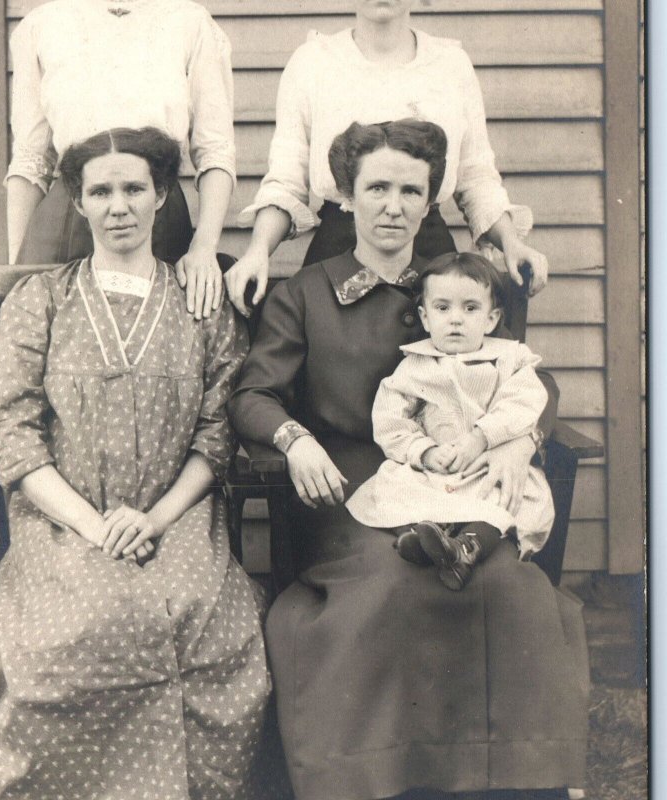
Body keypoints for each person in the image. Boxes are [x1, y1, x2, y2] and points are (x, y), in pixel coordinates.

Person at [228, 119, 587, 800]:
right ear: (347, 196)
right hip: (348, 494)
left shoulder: (458, 287)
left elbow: (528, 380)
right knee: (391, 587)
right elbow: (254, 395)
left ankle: (513, 779)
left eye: (410, 191)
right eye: (378, 188)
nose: (393, 206)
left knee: (504, 584)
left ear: (429, 204)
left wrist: (515, 441)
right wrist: (295, 440)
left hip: (466, 486)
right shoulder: (304, 294)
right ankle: (375, 779)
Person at [0, 127, 270, 800]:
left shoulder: (199, 302)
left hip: (178, 516)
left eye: (133, 189)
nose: (118, 205)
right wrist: (94, 527)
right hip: (62, 519)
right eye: (101, 191)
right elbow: (12, 430)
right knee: (71, 631)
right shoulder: (41, 301)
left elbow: (216, 435)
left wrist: (153, 517)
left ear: (159, 198)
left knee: (202, 626)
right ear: (79, 203)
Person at [224, 0, 549, 317]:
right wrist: (258, 251)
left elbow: (476, 177)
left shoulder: (451, 64)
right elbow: (286, 180)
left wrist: (511, 244)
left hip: (428, 255)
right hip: (339, 250)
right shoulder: (314, 62)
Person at [7, 0, 235, 319]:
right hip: (69, 217)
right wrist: (16, 266)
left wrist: (204, 247)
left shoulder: (190, 22)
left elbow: (216, 151)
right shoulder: (43, 24)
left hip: (156, 215)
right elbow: (30, 159)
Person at [346, 251, 555, 591]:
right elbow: (390, 420)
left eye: (470, 308)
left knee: (501, 504)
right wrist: (424, 451)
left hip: (489, 467)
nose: (455, 319)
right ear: (425, 318)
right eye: (443, 308)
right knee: (396, 489)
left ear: (491, 318)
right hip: (436, 469)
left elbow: (524, 401)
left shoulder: (509, 358)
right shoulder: (414, 366)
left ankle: (465, 549)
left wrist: (481, 437)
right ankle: (417, 541)